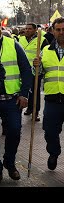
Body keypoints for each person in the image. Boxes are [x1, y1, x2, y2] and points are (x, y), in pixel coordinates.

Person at [0, 17, 32, 184]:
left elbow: (27, 71)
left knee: (14, 132)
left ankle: (9, 163)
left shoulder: (13, 45)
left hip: (11, 99)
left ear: (0, 28)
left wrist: (24, 94)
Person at [33, 17, 64, 171]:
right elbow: (39, 74)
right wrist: (36, 66)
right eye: (58, 29)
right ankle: (54, 153)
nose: (61, 32)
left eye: (63, 29)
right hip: (52, 99)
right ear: (52, 31)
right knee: (50, 131)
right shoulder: (45, 50)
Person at [19, 23, 49, 121]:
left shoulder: (42, 40)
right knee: (25, 90)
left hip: (35, 70)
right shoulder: (20, 39)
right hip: (22, 70)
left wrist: (40, 61)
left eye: (30, 29)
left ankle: (35, 111)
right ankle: (29, 108)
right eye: (26, 29)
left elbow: (46, 53)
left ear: (35, 30)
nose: (27, 30)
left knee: (35, 92)